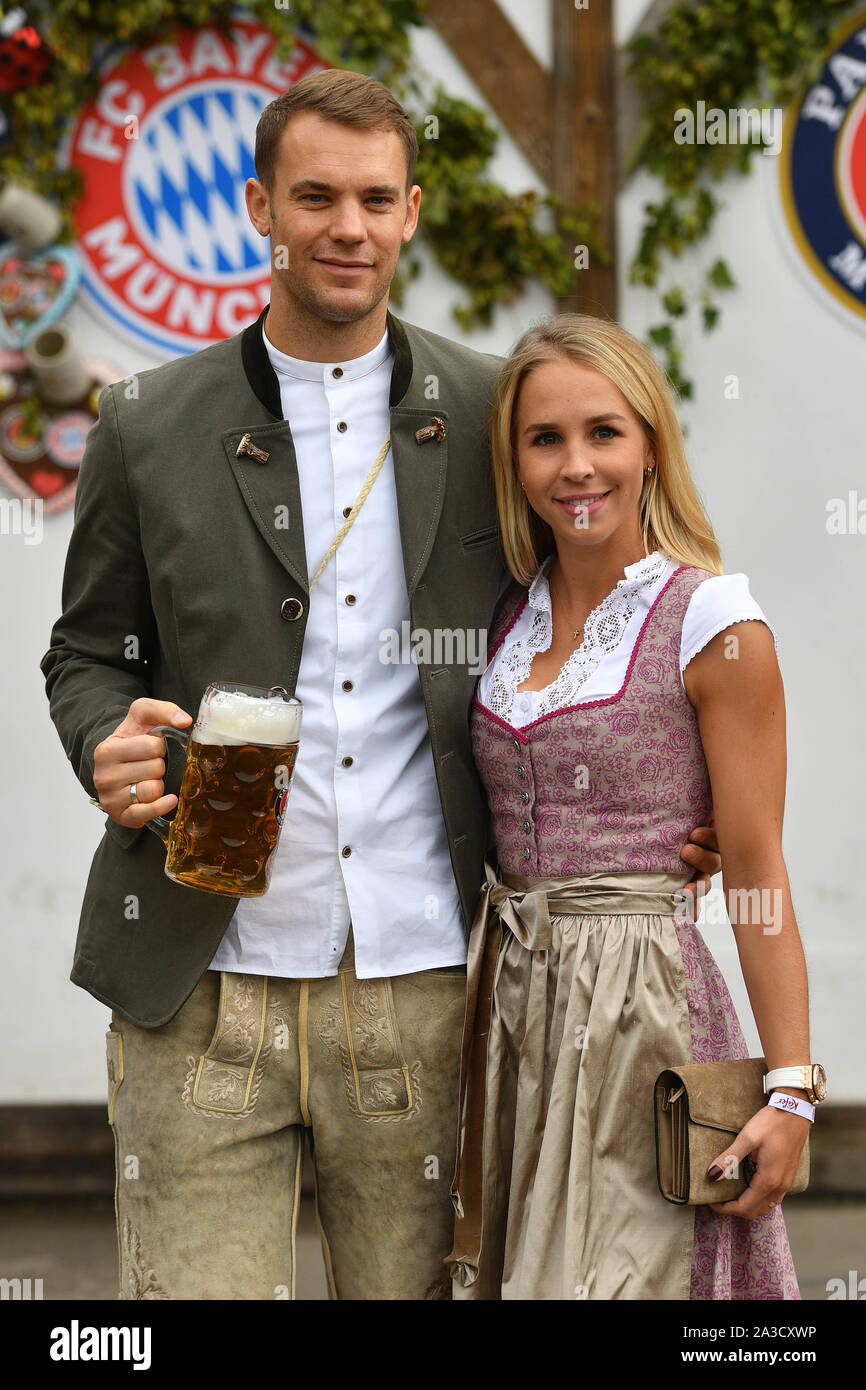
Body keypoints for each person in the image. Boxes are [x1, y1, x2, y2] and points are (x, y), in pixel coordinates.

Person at [40, 70, 721, 1300]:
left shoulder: (490, 409)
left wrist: (675, 791)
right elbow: (89, 649)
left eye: (372, 198)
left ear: (410, 211)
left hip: (429, 983)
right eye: (314, 197)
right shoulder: (145, 422)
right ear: (259, 206)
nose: (344, 227)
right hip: (200, 975)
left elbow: (600, 601)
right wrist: (105, 737)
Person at [445, 313, 820, 1301]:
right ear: (513, 459)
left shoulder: (711, 619)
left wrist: (790, 1087)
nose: (576, 466)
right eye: (545, 438)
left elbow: (754, 870)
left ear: (649, 443)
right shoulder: (500, 616)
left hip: (643, 1010)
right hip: (512, 1009)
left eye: (603, 432)